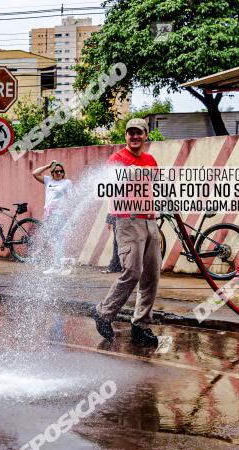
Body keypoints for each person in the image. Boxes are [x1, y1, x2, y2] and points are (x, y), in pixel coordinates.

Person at [93, 118, 161, 345]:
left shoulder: (151, 160)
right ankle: (104, 312)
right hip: (127, 220)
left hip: (150, 220)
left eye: (139, 133)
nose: (134, 137)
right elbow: (109, 185)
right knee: (132, 271)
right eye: (130, 133)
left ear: (145, 135)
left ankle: (141, 325)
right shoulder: (117, 159)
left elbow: (156, 187)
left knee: (151, 276)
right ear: (126, 136)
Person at [32, 160, 74, 274]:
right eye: (56, 171)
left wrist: (67, 211)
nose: (59, 173)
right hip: (49, 215)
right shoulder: (48, 181)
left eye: (61, 171)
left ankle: (56, 266)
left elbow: (71, 198)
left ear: (63, 172)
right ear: (52, 173)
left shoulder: (67, 182)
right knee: (56, 240)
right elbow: (35, 173)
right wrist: (48, 165)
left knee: (56, 239)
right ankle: (58, 265)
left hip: (59, 214)